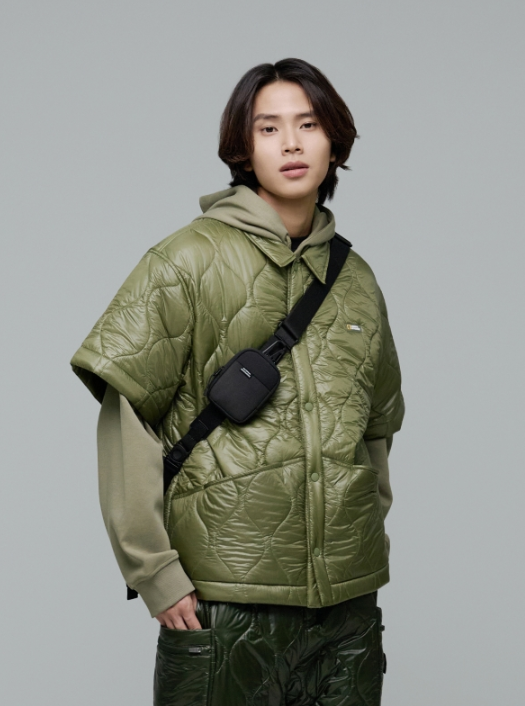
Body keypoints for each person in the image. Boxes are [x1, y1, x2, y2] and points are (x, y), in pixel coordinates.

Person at [71, 58, 404, 706]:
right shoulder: (185, 260)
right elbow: (126, 418)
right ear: (242, 150)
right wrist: (155, 572)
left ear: (334, 142)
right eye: (268, 128)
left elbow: (375, 427)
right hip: (225, 602)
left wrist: (359, 537)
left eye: (308, 124)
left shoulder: (357, 280)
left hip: (348, 608)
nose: (290, 143)